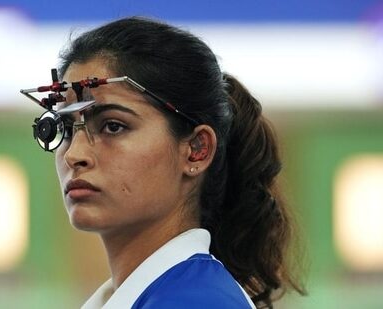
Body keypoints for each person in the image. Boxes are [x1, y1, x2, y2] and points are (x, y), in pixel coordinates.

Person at [27, 16, 305, 308]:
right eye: (66, 129)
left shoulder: (197, 301)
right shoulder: (151, 294)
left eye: (113, 126)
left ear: (196, 150)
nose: (74, 154)